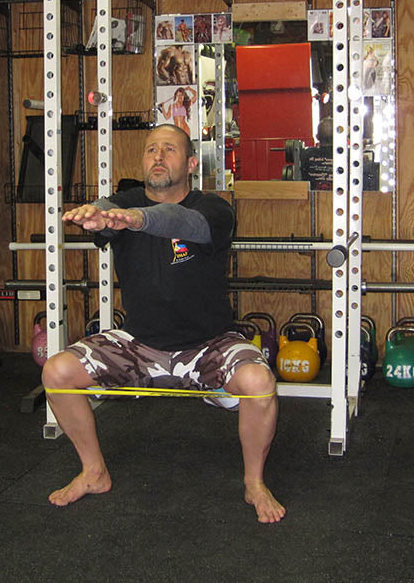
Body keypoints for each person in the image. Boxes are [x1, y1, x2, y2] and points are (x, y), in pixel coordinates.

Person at [43, 124, 285, 524]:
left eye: (169, 149)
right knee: (56, 371)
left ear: (191, 163)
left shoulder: (213, 209)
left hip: (209, 344)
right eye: (151, 149)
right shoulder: (124, 202)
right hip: (139, 343)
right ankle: (93, 472)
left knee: (260, 385)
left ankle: (254, 483)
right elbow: (108, 209)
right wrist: (96, 213)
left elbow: (178, 222)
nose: (157, 155)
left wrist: (133, 219)